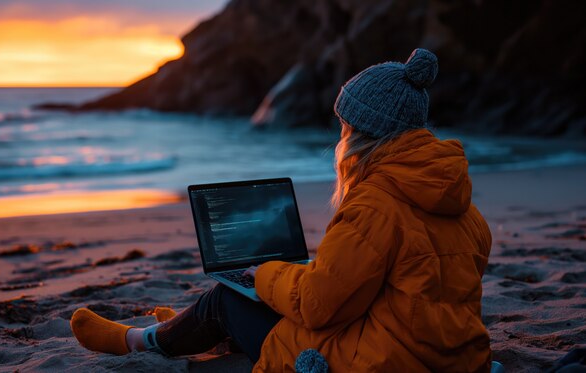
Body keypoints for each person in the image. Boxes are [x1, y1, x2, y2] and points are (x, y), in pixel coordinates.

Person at [70, 48, 492, 372]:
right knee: (274, 288)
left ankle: (138, 341)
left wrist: (267, 272)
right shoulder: (458, 201)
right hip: (451, 356)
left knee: (230, 300)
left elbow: (320, 305)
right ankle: (190, 330)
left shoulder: (375, 203)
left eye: (344, 126)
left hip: (384, 360)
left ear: (359, 133)